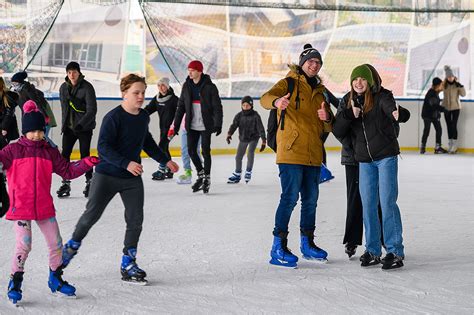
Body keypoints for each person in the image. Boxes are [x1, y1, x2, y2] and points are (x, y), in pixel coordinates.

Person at [61, 74, 179, 285]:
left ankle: (128, 262)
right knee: (91, 216)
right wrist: (126, 163)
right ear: (124, 93)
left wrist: (166, 160)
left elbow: (147, 143)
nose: (141, 96)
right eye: (136, 92)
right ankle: (71, 246)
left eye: (143, 92)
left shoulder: (143, 117)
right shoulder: (113, 117)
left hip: (131, 178)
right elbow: (104, 148)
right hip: (107, 175)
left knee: (135, 220)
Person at [0, 100, 98, 304]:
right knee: (23, 245)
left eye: (40, 130)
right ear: (24, 131)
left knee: (56, 243)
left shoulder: (49, 152)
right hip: (21, 208)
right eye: (32, 131)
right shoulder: (13, 151)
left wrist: (86, 162)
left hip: (44, 207)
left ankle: (55, 278)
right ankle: (15, 281)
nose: (36, 135)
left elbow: (67, 171)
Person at [260, 44, 333, 268]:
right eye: (310, 61)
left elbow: (328, 127)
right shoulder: (289, 82)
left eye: (318, 62)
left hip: (313, 154)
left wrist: (327, 116)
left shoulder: (321, 91)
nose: (314, 65)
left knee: (310, 201)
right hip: (291, 153)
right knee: (289, 199)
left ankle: (307, 244)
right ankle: (278, 247)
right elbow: (265, 98)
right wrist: (277, 102)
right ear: (302, 63)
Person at [333, 64, 408, 270]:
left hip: (385, 157)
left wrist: (398, 114)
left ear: (370, 82)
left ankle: (394, 250)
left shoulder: (382, 96)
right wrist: (350, 114)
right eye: (355, 79)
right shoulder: (348, 101)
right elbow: (337, 129)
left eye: (363, 79)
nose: (358, 83)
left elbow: (394, 110)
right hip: (364, 160)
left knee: (387, 202)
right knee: (368, 204)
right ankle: (373, 250)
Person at [169, 60, 223, 194]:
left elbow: (217, 107)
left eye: (192, 70)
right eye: (189, 70)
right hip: (191, 125)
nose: (190, 72)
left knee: (205, 151)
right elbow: (180, 107)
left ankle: (207, 178)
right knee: (191, 151)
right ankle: (200, 174)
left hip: (206, 125)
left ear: (199, 71)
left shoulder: (210, 87)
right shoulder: (186, 86)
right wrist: (175, 126)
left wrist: (218, 123)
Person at [57, 62, 98, 198]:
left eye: (74, 72)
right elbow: (64, 109)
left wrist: (81, 124)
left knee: (85, 155)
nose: (72, 75)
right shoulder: (63, 88)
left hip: (84, 128)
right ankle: (65, 182)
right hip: (69, 128)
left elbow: (92, 110)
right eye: (69, 72)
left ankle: (90, 182)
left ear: (79, 72)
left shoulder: (87, 87)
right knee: (65, 156)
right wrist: (64, 125)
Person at [10, 71, 57, 147]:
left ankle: (54, 149)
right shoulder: (18, 92)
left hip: (41, 116)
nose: (13, 86)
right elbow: (15, 104)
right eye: (12, 84)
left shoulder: (28, 90)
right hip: (30, 118)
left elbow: (37, 103)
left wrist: (44, 117)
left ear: (20, 83)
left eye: (15, 84)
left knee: (43, 137)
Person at [226, 95, 266, 184]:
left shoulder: (255, 115)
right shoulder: (239, 115)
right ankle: (237, 173)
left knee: (250, 153)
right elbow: (234, 125)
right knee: (238, 157)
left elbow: (260, 128)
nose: (245, 107)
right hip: (243, 138)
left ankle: (248, 171)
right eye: (243, 105)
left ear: (251, 105)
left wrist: (263, 141)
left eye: (247, 105)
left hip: (253, 138)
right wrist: (229, 134)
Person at [144, 77, 178, 180]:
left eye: (163, 85)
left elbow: (180, 113)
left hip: (171, 128)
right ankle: (170, 169)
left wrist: (175, 126)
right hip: (162, 127)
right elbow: (149, 109)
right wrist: (139, 115)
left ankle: (162, 169)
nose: (161, 87)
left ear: (167, 86)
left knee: (161, 146)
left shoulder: (174, 99)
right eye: (159, 85)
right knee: (165, 147)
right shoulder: (157, 99)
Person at [420, 77, 447, 154]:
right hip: (427, 115)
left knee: (439, 129)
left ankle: (438, 147)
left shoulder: (436, 92)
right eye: (440, 85)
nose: (442, 86)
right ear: (437, 85)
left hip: (434, 115)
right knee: (427, 130)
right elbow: (434, 105)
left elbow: (443, 88)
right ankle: (423, 147)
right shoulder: (431, 93)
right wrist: (444, 109)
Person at [442, 65, 465, 154]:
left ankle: (455, 145)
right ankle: (450, 143)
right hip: (446, 107)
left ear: (454, 77)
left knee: (454, 125)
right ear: (446, 77)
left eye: (451, 77)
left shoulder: (457, 85)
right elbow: (438, 89)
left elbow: (463, 94)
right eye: (448, 77)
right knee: (448, 125)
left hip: (456, 108)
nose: (450, 78)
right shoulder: (444, 84)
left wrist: (460, 86)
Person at [0, 77, 19, 148]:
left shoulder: (7, 96)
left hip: (6, 129)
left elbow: (9, 113)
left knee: (5, 151)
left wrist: (4, 128)